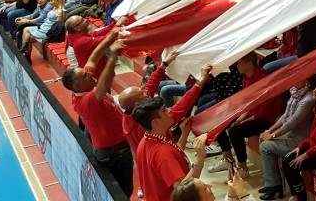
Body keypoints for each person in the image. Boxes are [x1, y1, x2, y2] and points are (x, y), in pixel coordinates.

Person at [61, 30, 133, 195]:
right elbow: (103, 84)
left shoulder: (83, 87)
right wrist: (113, 57)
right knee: (124, 192)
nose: (89, 74)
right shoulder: (87, 101)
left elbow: (94, 56)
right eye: (85, 76)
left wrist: (112, 36)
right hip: (114, 152)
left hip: (113, 148)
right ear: (77, 85)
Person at [211, 53, 283, 178]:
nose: (237, 65)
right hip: (253, 115)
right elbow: (247, 105)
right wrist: (239, 118)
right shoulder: (246, 78)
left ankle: (242, 167)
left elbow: (262, 111)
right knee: (219, 123)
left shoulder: (263, 79)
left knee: (235, 131)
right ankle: (229, 162)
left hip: (266, 119)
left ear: (249, 63)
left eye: (240, 62)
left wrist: (242, 120)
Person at [133, 98, 209, 201]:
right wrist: (199, 160)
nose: (169, 110)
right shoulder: (163, 154)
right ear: (155, 122)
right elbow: (183, 191)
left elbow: (174, 154)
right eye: (164, 110)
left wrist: (184, 134)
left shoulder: (146, 140)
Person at [258, 78, 316, 200]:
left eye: (298, 76)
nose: (294, 78)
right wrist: (269, 131)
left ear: (306, 80)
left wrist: (273, 135)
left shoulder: (308, 100)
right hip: (289, 135)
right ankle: (273, 184)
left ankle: (273, 186)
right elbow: (285, 116)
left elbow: (292, 122)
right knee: (265, 142)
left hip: (299, 141)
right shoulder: (295, 93)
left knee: (265, 146)